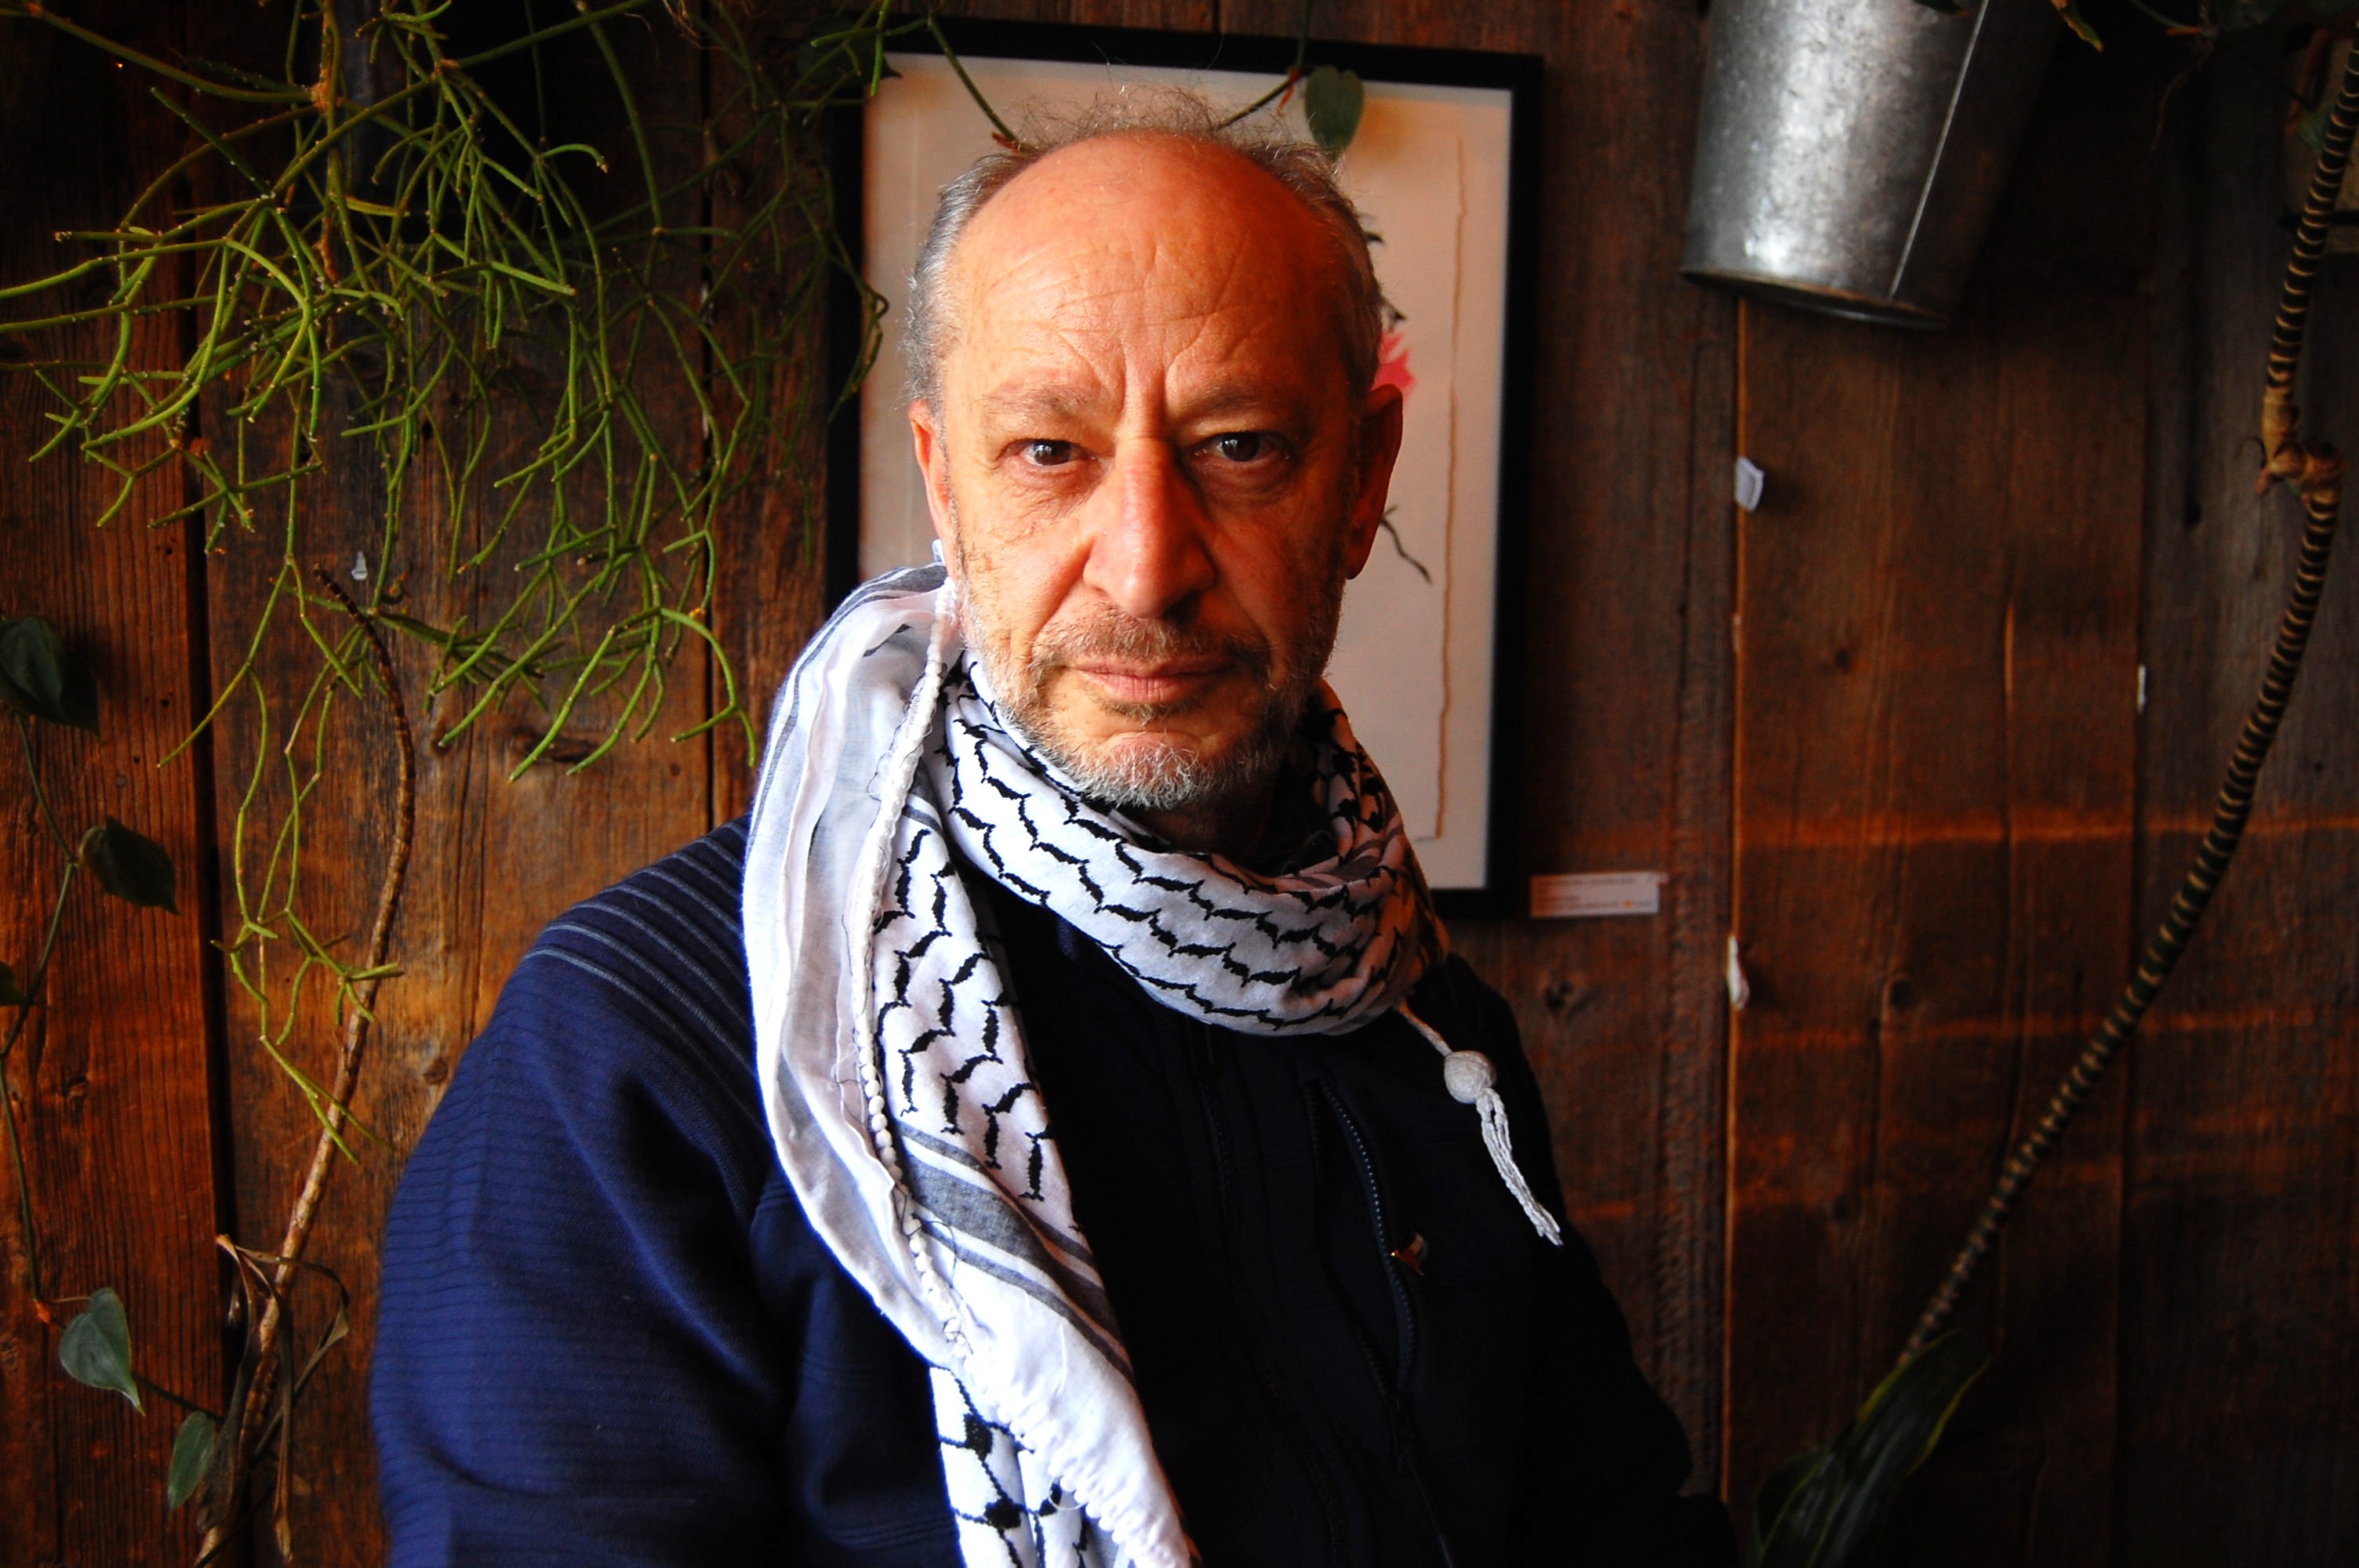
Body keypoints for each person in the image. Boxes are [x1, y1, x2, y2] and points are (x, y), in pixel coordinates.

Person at [373, 92, 1736, 1568]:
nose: (1145, 568)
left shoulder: (1417, 1017)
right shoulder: (651, 1051)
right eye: (1047, 452)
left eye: (1240, 446)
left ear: (1364, 480)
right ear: (944, 484)